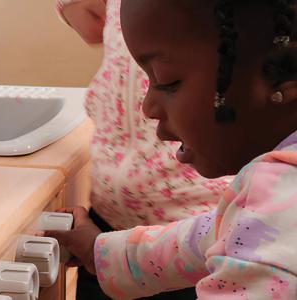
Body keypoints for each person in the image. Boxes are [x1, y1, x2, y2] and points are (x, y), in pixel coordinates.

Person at [47, 0, 297, 298]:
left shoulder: (275, 232)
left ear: (281, 79)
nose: (148, 107)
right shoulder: (270, 187)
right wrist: (98, 251)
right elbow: (209, 234)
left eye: (166, 81)